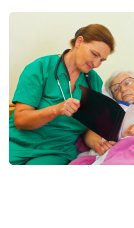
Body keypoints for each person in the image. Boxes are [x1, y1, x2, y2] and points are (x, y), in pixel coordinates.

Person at [9, 24, 116, 165]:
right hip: (17, 145)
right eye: (94, 54)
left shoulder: (94, 82)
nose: (96, 64)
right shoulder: (40, 68)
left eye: (102, 60)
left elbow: (87, 127)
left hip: (56, 152)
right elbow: (20, 120)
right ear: (79, 42)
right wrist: (56, 109)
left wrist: (97, 143)